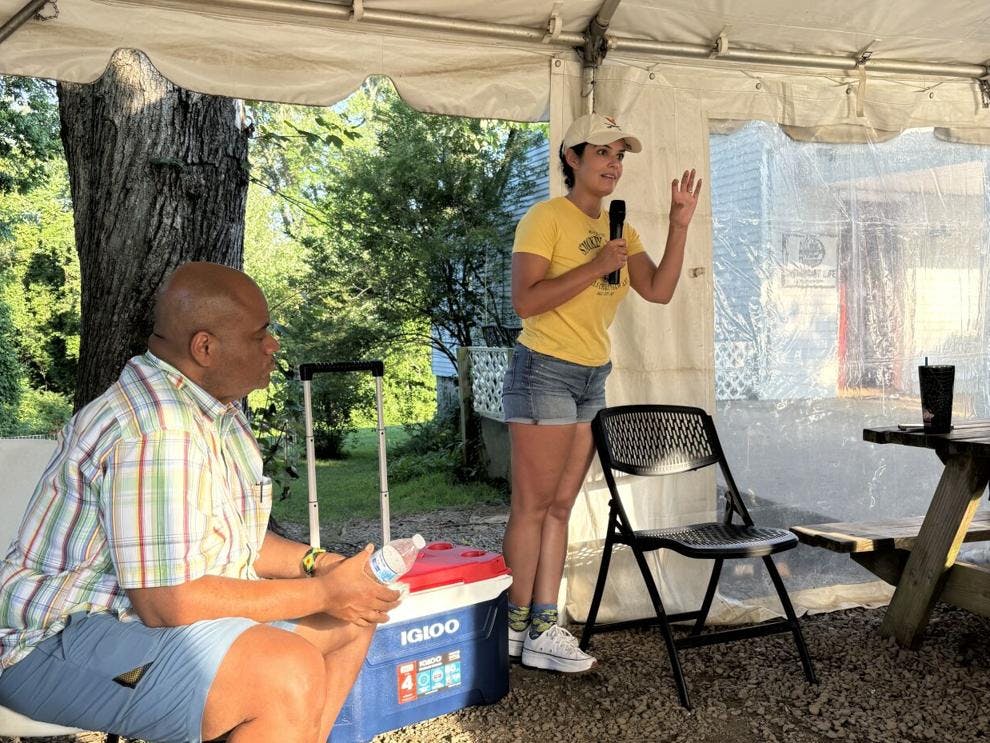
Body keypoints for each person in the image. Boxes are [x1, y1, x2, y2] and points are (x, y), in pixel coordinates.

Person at [0, 262, 400, 742]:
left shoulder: (215, 410)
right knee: (281, 672)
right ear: (204, 347)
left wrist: (320, 566)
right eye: (260, 335)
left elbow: (239, 541)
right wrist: (323, 592)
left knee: (347, 622)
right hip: (49, 643)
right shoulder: (159, 429)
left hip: (130, 621)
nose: (273, 345)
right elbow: (167, 601)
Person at [501, 113, 702, 673]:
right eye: (603, 154)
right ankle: (514, 626)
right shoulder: (545, 219)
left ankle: (545, 626)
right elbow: (525, 301)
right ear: (573, 158)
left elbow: (659, 291)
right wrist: (594, 267)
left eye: (620, 156)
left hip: (591, 375)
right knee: (533, 505)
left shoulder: (622, 229)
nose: (614, 165)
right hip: (543, 370)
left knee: (562, 506)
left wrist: (679, 224)